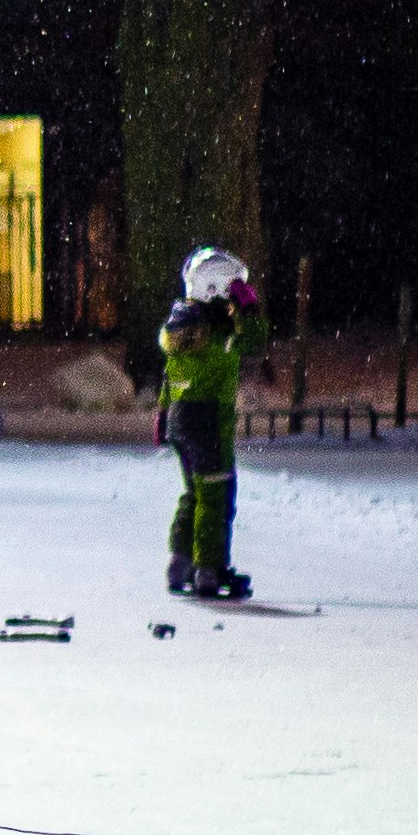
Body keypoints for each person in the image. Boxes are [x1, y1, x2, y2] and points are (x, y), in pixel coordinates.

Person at [157, 246, 269, 601]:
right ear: (216, 290)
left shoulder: (182, 329)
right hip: (208, 420)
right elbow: (253, 341)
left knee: (194, 492)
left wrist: (163, 414)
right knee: (216, 496)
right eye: (232, 289)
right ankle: (208, 569)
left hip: (179, 418)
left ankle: (179, 563)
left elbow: (169, 374)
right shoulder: (217, 332)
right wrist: (249, 308)